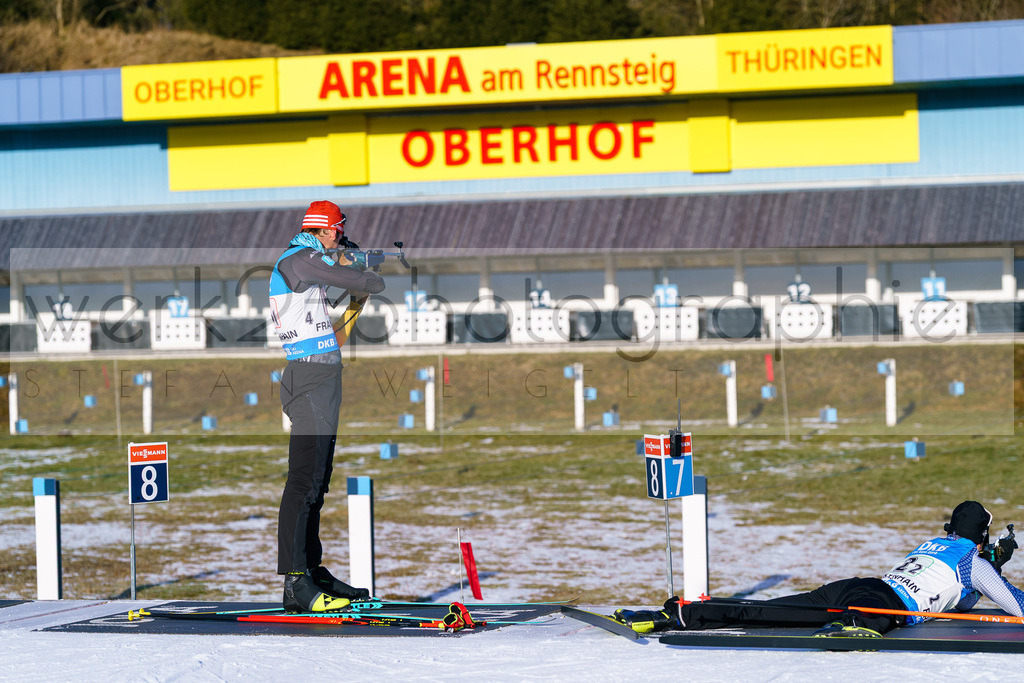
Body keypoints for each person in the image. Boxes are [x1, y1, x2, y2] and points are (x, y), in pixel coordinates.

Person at [616, 501, 1023, 637]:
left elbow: (947, 595)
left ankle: (676, 613)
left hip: (855, 585)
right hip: (876, 603)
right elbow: (1015, 605)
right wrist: (995, 570)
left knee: (769, 610)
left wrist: (986, 568)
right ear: (983, 538)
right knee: (861, 627)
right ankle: (850, 628)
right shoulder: (974, 563)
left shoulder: (935, 545)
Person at [269, 200, 386, 612]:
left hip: (320, 376)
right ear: (323, 229)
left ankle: (312, 571)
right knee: (303, 481)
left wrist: (359, 287)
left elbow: (333, 332)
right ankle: (296, 582)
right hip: (308, 379)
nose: (340, 235)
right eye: (337, 230)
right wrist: (363, 273)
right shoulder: (299, 260)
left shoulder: (311, 271)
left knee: (317, 482)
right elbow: (368, 282)